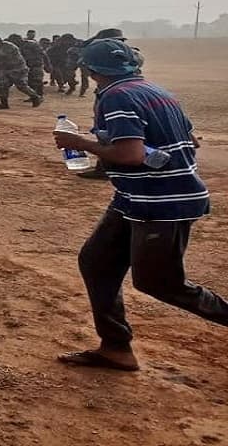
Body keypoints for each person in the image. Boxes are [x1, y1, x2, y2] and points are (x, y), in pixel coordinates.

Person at [51, 38, 225, 371]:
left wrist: (78, 143)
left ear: (88, 69)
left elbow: (129, 155)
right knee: (97, 262)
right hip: (135, 198)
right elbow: (192, 140)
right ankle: (116, 347)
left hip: (161, 202)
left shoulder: (116, 96)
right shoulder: (155, 91)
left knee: (160, 282)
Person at [0, 33, 41, 109]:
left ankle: (35, 97)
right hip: (6, 69)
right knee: (2, 86)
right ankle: (4, 104)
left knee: (21, 86)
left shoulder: (8, 46)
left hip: (17, 69)